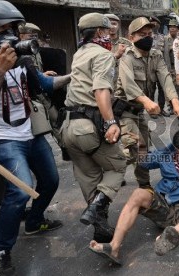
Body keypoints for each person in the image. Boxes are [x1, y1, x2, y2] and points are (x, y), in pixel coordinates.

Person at [0, 0, 70, 274]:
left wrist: (74, 75)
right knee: (20, 190)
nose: (10, 33)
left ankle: (34, 222)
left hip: (29, 132)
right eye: (3, 27)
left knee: (50, 180)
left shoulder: (21, 61)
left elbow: (44, 85)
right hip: (2, 138)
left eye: (13, 27)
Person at [88, 124, 179, 265]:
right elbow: (144, 163)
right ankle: (113, 247)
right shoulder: (168, 154)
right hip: (162, 209)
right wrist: (142, 146)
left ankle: (171, 235)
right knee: (139, 193)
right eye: (177, 152)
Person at [62, 12, 126, 244]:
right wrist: (110, 123)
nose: (111, 34)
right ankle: (97, 207)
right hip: (89, 126)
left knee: (89, 176)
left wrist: (113, 57)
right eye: (108, 31)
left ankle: (100, 228)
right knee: (117, 166)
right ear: (99, 32)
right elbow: (100, 91)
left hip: (69, 126)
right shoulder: (102, 55)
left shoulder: (80, 52)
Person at [114, 17, 179, 189]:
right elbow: (128, 85)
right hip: (123, 110)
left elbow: (165, 78)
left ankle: (144, 186)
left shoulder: (156, 55)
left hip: (139, 111)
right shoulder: (127, 57)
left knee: (143, 151)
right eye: (141, 34)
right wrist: (147, 101)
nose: (147, 37)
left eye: (149, 34)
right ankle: (109, 175)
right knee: (134, 148)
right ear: (131, 37)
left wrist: (175, 102)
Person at [149, 15, 169, 117]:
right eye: (152, 23)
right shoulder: (147, 36)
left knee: (162, 89)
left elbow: (166, 54)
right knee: (151, 89)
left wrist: (167, 68)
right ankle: (152, 110)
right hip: (150, 67)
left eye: (156, 23)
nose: (154, 24)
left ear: (159, 25)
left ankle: (161, 109)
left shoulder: (163, 38)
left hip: (160, 66)